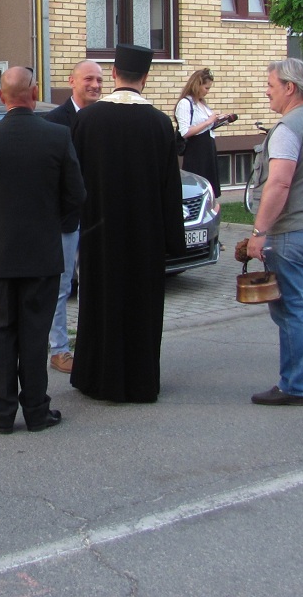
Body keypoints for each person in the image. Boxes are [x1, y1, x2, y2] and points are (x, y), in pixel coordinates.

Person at [0, 66, 85, 433]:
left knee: (1, 334)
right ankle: (37, 411)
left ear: (1, 97)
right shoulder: (58, 137)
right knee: (35, 333)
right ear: (35, 92)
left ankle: (1, 414)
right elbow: (77, 194)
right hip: (42, 255)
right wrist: (49, 224)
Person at [69, 43, 185, 404]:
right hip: (145, 235)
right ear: (145, 78)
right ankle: (140, 381)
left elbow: (74, 182)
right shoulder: (160, 123)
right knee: (142, 306)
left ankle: (96, 378)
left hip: (98, 232)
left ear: (114, 75)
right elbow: (171, 186)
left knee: (100, 302)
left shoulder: (87, 120)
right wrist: (173, 240)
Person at [246, 58, 303, 406]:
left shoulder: (287, 128)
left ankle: (295, 385)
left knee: (291, 309)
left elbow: (279, 183)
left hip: (291, 233)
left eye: (271, 86)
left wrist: (259, 231)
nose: (267, 92)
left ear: (290, 87)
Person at [42, 59, 102, 374]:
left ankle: (92, 344)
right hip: (66, 219)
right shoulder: (54, 121)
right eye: (89, 79)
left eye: (100, 80)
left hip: (97, 219)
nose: (95, 85)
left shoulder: (105, 119)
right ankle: (59, 349)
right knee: (62, 286)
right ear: (73, 81)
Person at [174, 68, 233, 197]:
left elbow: (206, 126)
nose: (207, 92)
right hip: (196, 151)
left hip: (208, 148)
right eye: (206, 88)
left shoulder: (201, 103)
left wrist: (219, 121)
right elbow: (185, 132)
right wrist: (208, 121)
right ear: (197, 85)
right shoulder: (185, 103)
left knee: (209, 187)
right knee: (198, 186)